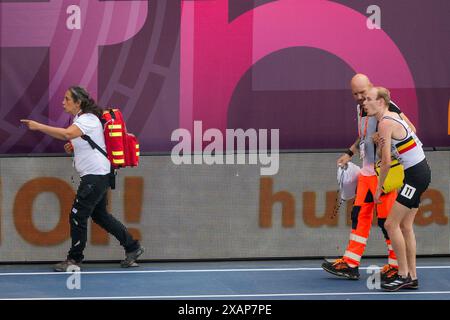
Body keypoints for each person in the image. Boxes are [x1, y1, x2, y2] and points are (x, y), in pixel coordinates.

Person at [21, 86, 144, 272]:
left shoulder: (87, 119)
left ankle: (74, 259)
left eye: (67, 99)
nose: (63, 102)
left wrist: (38, 126)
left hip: (95, 176)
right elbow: (72, 136)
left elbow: (67, 133)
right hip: (98, 174)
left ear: (78, 103)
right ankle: (133, 247)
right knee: (100, 215)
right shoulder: (81, 119)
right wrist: (73, 145)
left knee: (77, 216)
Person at [322, 74, 416, 281]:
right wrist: (349, 152)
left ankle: (395, 265)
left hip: (384, 173)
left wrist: (385, 137)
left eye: (363, 93)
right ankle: (350, 263)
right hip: (366, 172)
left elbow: (410, 130)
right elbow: (364, 137)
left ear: (371, 88)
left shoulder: (387, 105)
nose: (359, 97)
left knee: (386, 221)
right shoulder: (361, 107)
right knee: (359, 216)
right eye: (355, 94)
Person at [363, 87, 430, 291]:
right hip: (418, 172)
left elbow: (385, 162)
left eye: (368, 99)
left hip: (416, 176)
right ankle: (413, 276)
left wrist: (378, 190)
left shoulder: (385, 123)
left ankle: (402, 275)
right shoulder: (391, 116)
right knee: (406, 226)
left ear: (381, 102)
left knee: (392, 224)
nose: (364, 103)